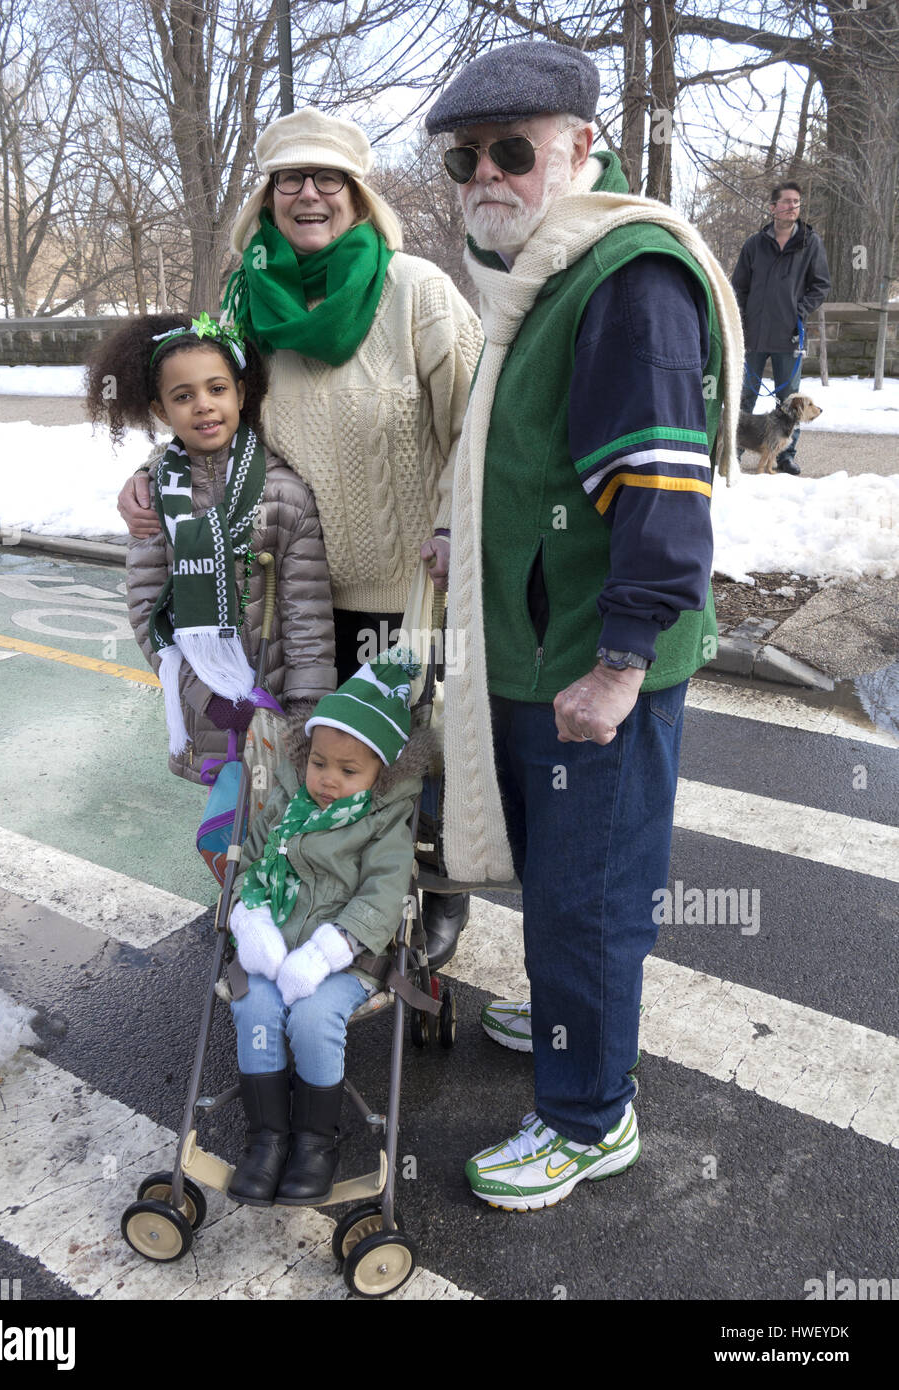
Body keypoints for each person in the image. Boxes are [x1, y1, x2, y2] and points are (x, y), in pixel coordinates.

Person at [424, 39, 744, 1210]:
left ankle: (587, 1115)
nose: (486, 176)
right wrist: (472, 539)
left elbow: (659, 489)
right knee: (570, 883)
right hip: (543, 649)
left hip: (589, 668)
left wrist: (618, 665)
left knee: (591, 895)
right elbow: (539, 466)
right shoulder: (545, 278)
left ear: (580, 151)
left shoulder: (624, 277)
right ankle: (577, 1026)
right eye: (466, 158)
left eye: (514, 150)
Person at [117, 108, 484, 966]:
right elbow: (208, 414)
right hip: (298, 599)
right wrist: (149, 476)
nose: (308, 194)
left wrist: (448, 525)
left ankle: (433, 893)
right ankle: (311, 907)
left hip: (418, 598)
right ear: (267, 198)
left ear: (358, 197)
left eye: (328, 178)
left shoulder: (417, 292)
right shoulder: (246, 306)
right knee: (314, 771)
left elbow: (481, 425)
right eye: (290, 179)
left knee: (420, 763)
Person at [86, 312, 336, 782]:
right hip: (207, 715)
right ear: (161, 411)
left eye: (217, 389)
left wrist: (306, 714)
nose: (203, 405)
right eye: (183, 396)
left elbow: (309, 615)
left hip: (280, 708)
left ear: (241, 393)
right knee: (228, 840)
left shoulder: (284, 493)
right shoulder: (155, 498)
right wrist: (212, 701)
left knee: (280, 837)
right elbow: (148, 613)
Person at [225, 649, 431, 1206]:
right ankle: (267, 1139)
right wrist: (253, 922)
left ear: (380, 773)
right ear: (305, 755)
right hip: (273, 948)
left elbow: (382, 897)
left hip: (346, 958)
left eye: (348, 771)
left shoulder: (384, 824)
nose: (327, 781)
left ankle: (317, 1143)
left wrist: (322, 953)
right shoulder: (287, 806)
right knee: (256, 1008)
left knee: (315, 1018)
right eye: (319, 763)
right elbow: (249, 864)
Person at [732, 181, 831, 475]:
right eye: (786, 201)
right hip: (755, 335)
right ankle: (733, 452)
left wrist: (798, 310)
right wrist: (742, 320)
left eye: (796, 202)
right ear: (773, 207)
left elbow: (821, 285)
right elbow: (739, 287)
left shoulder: (810, 243)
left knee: (790, 399)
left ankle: (784, 456)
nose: (792, 206)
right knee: (745, 396)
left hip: (790, 335)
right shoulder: (754, 244)